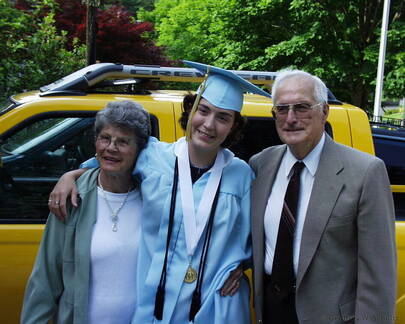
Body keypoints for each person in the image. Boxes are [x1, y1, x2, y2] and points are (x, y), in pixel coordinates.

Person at [48, 60, 272, 324]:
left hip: (215, 304)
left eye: (223, 117)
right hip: (156, 301)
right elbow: (108, 163)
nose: (209, 125)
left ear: (233, 126)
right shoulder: (152, 157)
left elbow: (258, 236)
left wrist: (243, 265)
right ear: (190, 110)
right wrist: (70, 176)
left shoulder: (241, 175)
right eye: (204, 110)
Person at [249, 69, 397, 324]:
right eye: (282, 109)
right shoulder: (261, 165)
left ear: (324, 111)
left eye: (302, 107)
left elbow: (378, 274)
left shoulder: (365, 172)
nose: (291, 118)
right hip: (271, 311)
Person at [21, 101, 151, 324]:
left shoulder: (155, 197)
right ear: (95, 141)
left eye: (123, 141)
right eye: (105, 138)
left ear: (139, 149)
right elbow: (45, 281)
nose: (111, 147)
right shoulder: (71, 199)